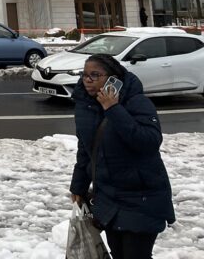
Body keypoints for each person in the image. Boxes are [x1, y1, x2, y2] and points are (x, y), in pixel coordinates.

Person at [69, 53, 175, 259]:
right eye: (84, 75)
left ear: (113, 78)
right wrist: (78, 186)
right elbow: (85, 150)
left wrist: (113, 109)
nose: (87, 80)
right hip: (108, 197)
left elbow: (149, 142)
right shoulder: (85, 106)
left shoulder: (136, 102)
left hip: (141, 197)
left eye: (95, 75)